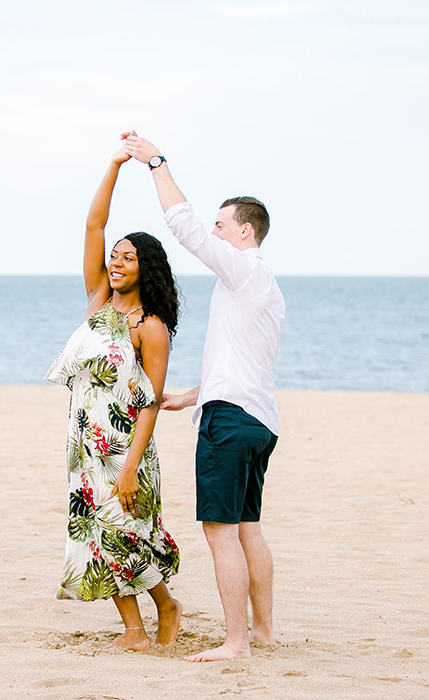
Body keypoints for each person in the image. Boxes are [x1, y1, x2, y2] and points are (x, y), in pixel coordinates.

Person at [124, 134, 285, 662]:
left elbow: (184, 227)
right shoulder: (265, 287)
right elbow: (245, 366)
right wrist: (193, 395)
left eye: (223, 226)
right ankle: (261, 632)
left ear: (245, 230)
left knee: (220, 534)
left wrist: (156, 163)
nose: (214, 233)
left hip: (231, 423)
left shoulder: (244, 271)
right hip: (256, 419)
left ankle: (235, 642)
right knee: (247, 529)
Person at [44, 135, 183, 651]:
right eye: (115, 256)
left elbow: (149, 401)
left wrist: (130, 465)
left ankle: (166, 604)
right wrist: (115, 166)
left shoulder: (151, 327)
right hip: (83, 445)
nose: (118, 262)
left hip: (125, 451)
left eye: (128, 258)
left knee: (127, 533)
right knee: (95, 536)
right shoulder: (99, 300)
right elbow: (94, 226)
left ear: (146, 267)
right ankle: (134, 629)